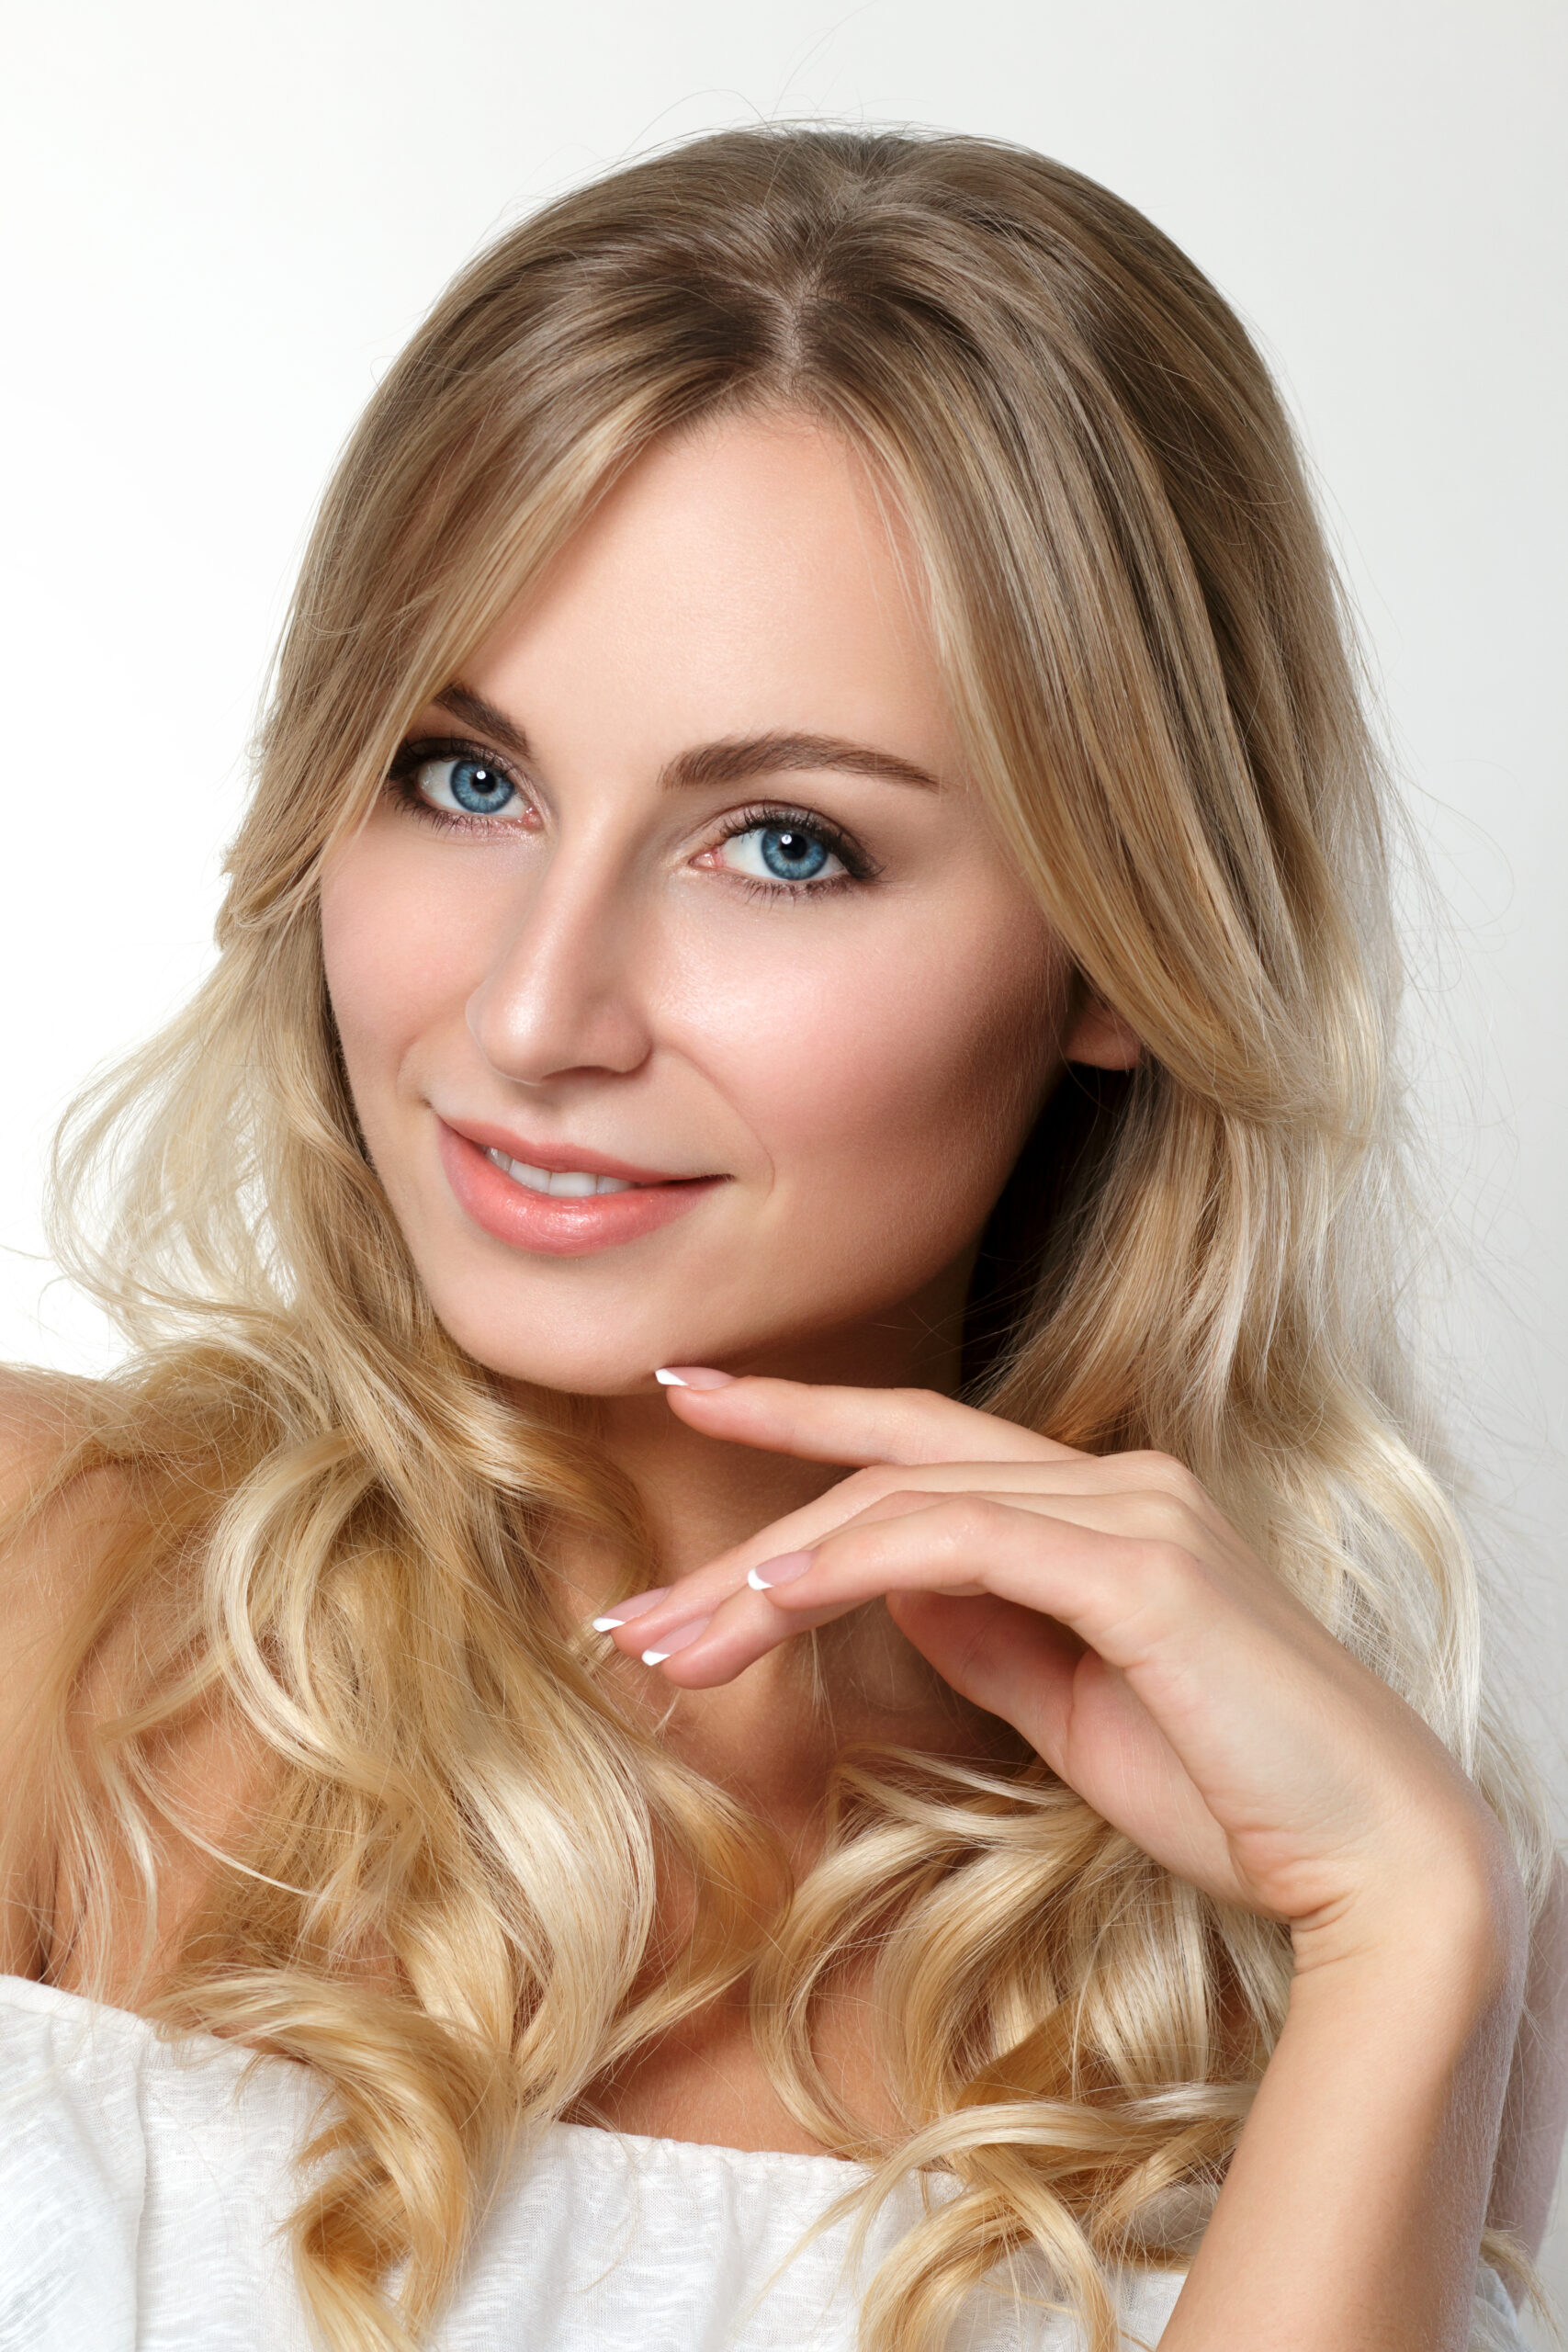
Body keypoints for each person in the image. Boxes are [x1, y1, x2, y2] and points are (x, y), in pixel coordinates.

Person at [1, 124, 1563, 2352]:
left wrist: (1410, 1928)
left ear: (1123, 946)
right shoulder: (42, 1605)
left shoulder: (1307, 1929)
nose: (532, 1013)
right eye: (463, 773)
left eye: (782, 843)